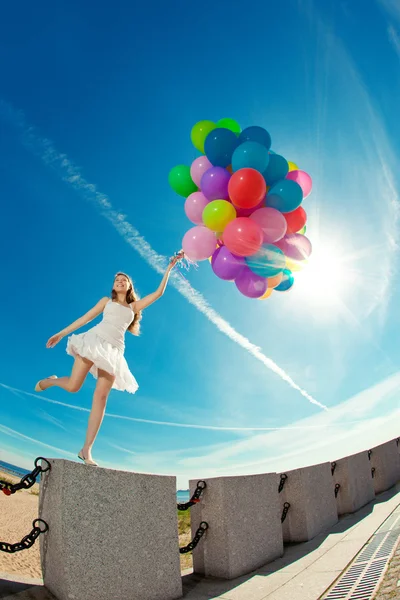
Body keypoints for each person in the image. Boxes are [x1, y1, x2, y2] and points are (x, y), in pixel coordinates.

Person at [34, 251, 184, 466]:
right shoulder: (106, 302)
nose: (120, 282)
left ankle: (86, 450)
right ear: (114, 287)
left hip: (114, 351)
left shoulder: (133, 307)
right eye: (117, 280)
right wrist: (61, 333)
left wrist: (169, 268)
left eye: (124, 280)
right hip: (94, 341)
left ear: (129, 287)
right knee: (73, 386)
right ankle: (51, 380)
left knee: (101, 398)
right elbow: (85, 318)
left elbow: (158, 293)